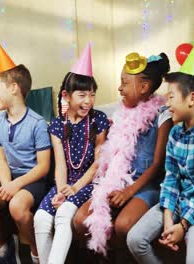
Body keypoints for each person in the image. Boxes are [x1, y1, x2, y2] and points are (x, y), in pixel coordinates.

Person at [72, 52, 173, 256]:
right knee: (80, 220)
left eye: (124, 83)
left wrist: (128, 192)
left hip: (146, 185)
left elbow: (157, 164)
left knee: (123, 225)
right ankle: (106, 257)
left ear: (143, 87)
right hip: (117, 182)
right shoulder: (121, 112)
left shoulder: (162, 115)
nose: (119, 88)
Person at [126, 45, 194, 264]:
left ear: (192, 98)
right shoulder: (175, 132)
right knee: (134, 239)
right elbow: (171, 178)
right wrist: (168, 219)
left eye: (171, 98)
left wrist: (183, 225)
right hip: (173, 204)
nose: (166, 105)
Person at [0, 42, 51, 264]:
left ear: (14, 87)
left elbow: (43, 167)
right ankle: (6, 251)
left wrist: (16, 186)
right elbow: (0, 159)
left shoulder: (37, 123)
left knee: (17, 206)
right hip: (9, 179)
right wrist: (6, 183)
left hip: (32, 180)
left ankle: (37, 254)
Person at [33, 45, 109, 264]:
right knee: (40, 218)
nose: (88, 101)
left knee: (65, 213)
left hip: (89, 183)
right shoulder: (57, 125)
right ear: (67, 95)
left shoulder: (99, 120)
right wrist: (60, 190)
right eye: (82, 94)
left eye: (92, 95)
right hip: (65, 182)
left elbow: (98, 163)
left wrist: (74, 189)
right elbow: (61, 164)